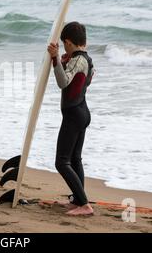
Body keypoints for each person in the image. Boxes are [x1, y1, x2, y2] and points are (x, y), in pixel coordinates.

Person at [47, 21, 95, 216]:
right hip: (82, 112)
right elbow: (84, 80)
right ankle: (78, 201)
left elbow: (63, 82)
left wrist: (55, 59)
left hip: (74, 115)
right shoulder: (87, 59)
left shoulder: (77, 60)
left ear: (68, 42)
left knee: (62, 162)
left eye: (64, 44)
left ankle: (84, 204)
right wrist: (65, 59)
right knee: (75, 159)